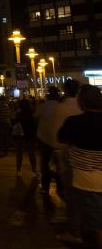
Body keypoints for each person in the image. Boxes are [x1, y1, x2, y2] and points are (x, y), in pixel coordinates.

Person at [57, 84, 102, 247]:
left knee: (93, 222)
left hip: (85, 179)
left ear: (82, 102)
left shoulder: (74, 122)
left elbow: (61, 138)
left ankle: (80, 235)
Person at [53, 79, 85, 242]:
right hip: (89, 156)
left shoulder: (61, 107)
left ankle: (75, 231)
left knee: (72, 194)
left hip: (68, 153)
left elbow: (58, 136)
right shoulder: (82, 107)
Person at [36, 86, 62, 194]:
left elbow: (35, 117)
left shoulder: (43, 106)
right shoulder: (60, 106)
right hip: (58, 139)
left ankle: (45, 187)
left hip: (44, 138)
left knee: (45, 164)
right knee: (59, 165)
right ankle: (60, 188)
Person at [12, 98, 38, 177]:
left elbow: (14, 123)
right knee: (31, 154)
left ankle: (18, 171)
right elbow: (35, 125)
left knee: (19, 154)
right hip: (30, 135)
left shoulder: (18, 114)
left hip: (20, 135)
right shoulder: (31, 114)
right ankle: (34, 171)